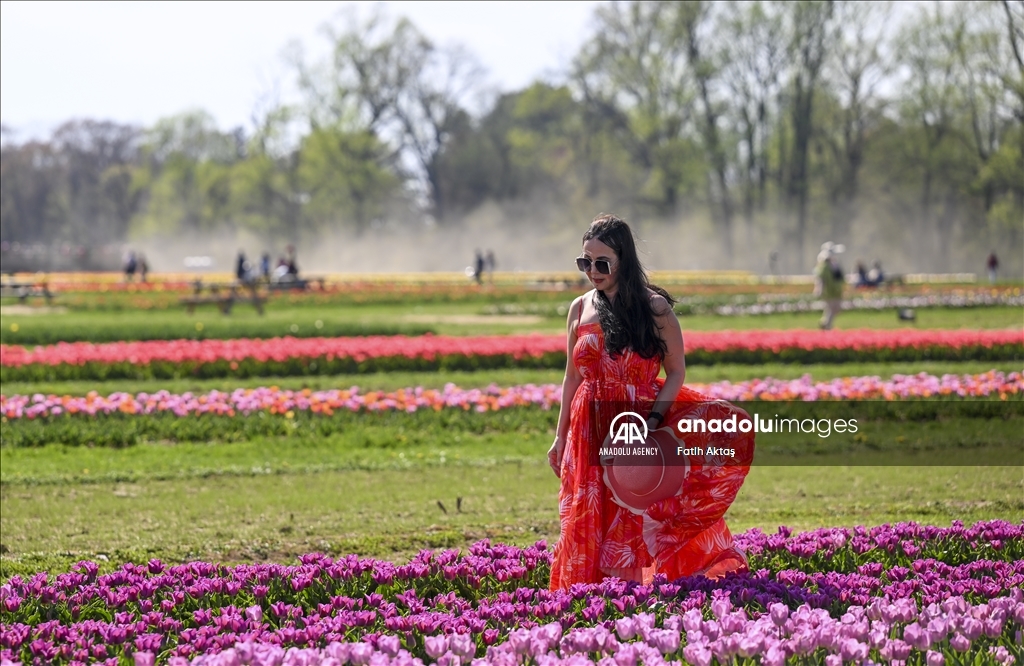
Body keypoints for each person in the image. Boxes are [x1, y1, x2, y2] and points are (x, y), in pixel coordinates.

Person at [547, 214, 754, 590]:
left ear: (623, 259)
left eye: (601, 263)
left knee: (635, 511)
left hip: (637, 422)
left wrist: (653, 423)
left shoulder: (654, 308)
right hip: (588, 426)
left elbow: (676, 371)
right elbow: (571, 377)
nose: (592, 271)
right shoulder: (579, 309)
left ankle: (634, 594)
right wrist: (559, 437)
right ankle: (590, 595)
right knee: (589, 513)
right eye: (584, 262)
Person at [814, 242, 845, 330]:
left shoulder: (835, 264)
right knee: (831, 309)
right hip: (829, 291)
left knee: (834, 309)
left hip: (836, 291)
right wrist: (819, 289)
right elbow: (821, 279)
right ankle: (827, 326)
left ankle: (824, 323)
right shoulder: (824, 266)